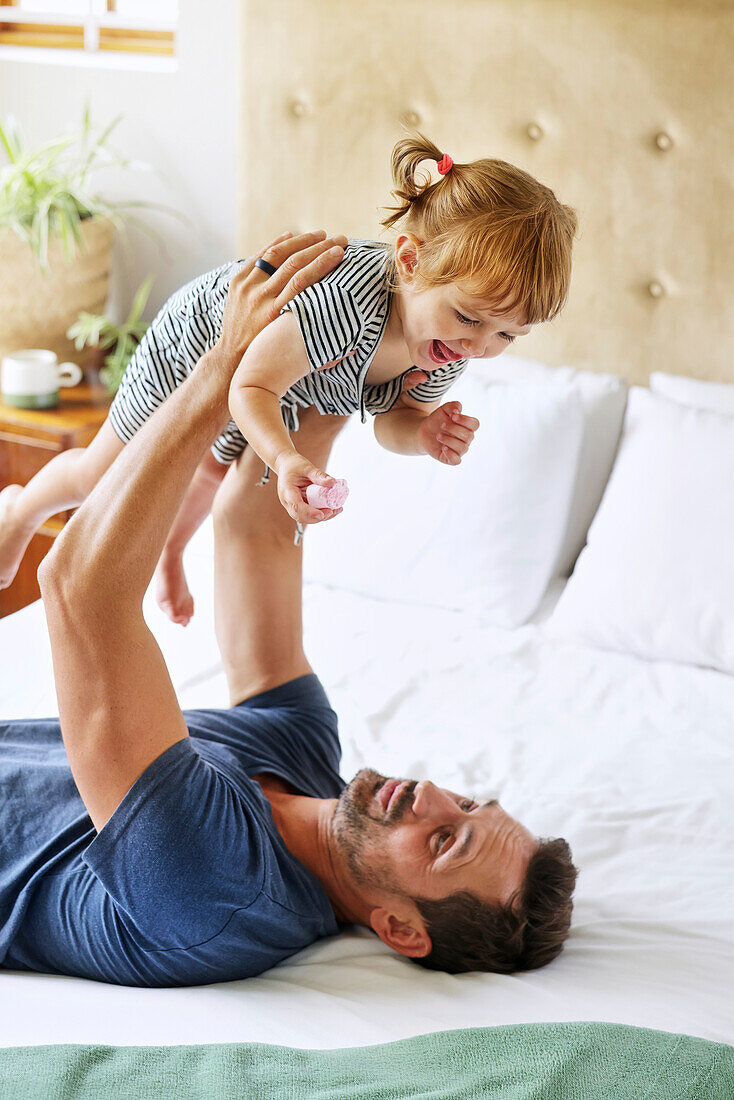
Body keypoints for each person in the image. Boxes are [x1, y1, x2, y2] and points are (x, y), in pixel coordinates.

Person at [0, 233, 577, 987]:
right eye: (463, 803)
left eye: (442, 842)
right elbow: (254, 527)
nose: (430, 795)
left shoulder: (219, 889)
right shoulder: (309, 753)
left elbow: (78, 585)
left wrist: (222, 369)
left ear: (400, 929)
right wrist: (348, 365)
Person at [0, 133, 577, 628]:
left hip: (278, 384)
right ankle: (21, 510)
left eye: (508, 337)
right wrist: (284, 458)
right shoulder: (348, 304)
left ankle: (172, 552)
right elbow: (250, 387)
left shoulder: (448, 346)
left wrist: (422, 435)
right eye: (471, 319)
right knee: (107, 473)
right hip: (203, 345)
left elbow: (393, 419)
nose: (479, 347)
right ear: (409, 261)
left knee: (207, 473)